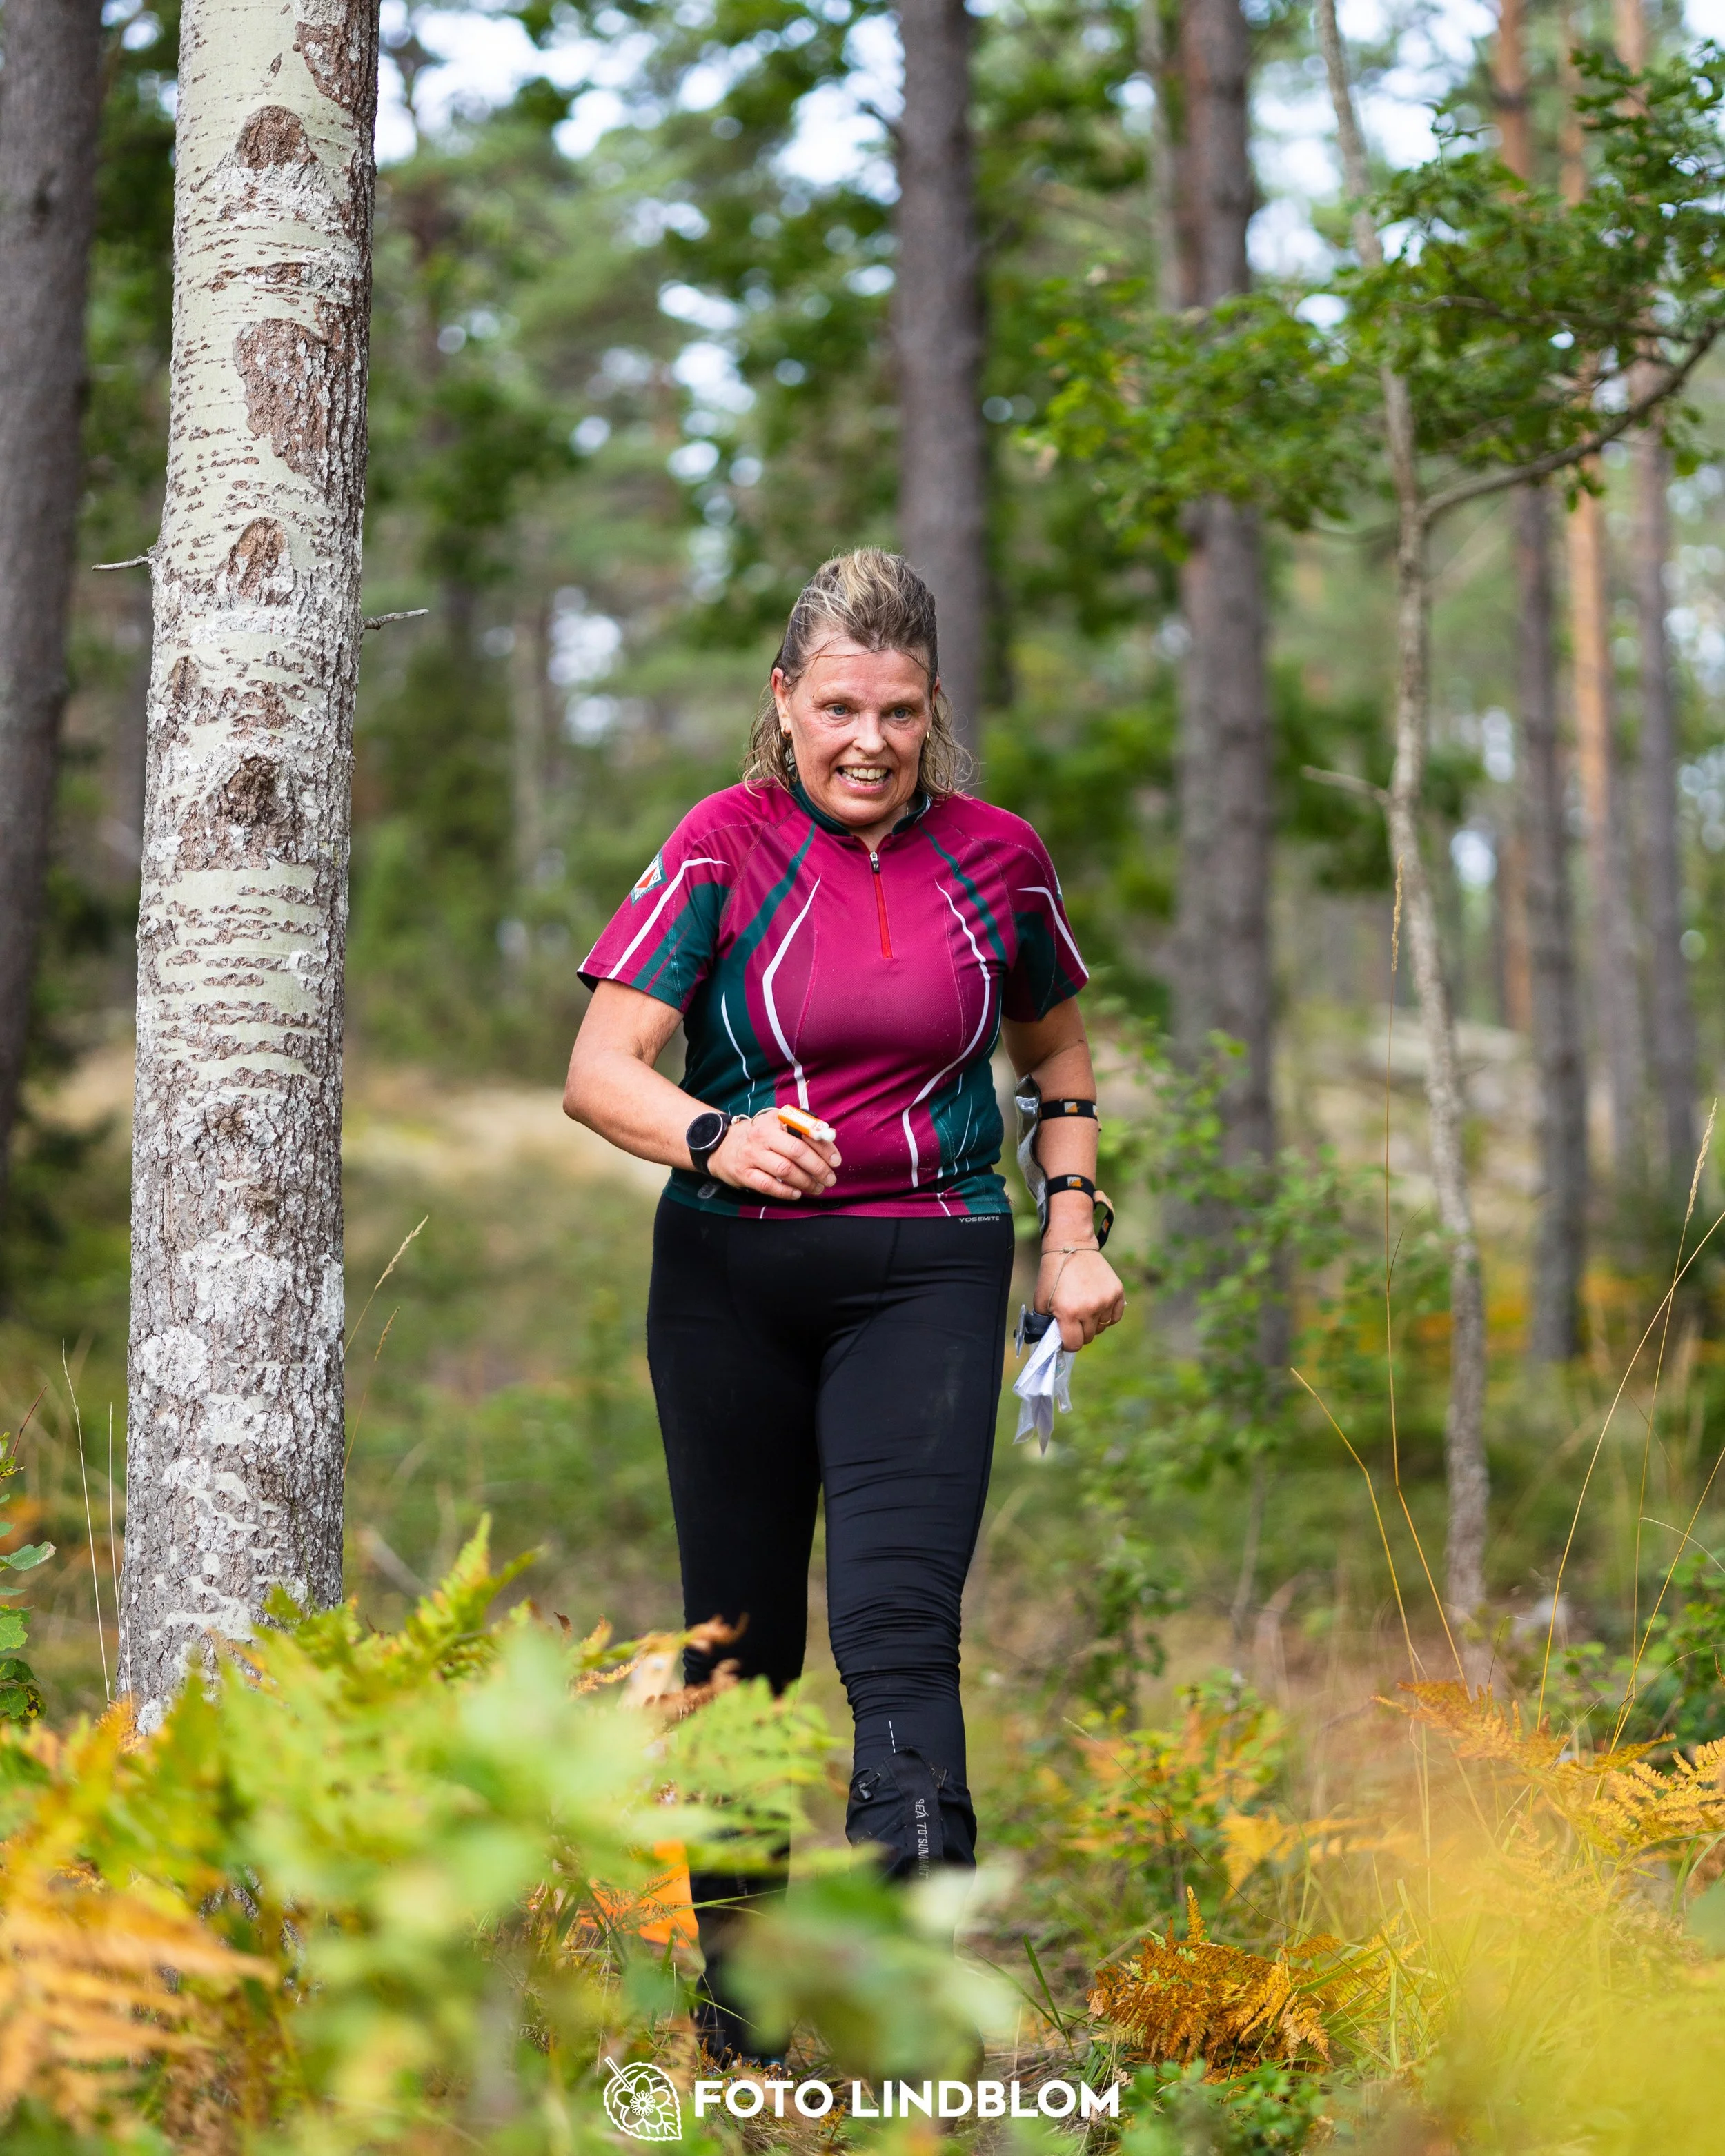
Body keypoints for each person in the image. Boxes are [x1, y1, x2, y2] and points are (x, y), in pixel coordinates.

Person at [563, 548, 1124, 2059]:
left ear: (932, 705)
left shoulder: (997, 855)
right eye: (835, 707)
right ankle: (739, 2009)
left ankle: (911, 2006)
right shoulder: (720, 844)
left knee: (897, 1629)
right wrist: (715, 1134)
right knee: (739, 1649)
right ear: (782, 702)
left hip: (931, 1266)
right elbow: (599, 1069)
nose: (866, 740)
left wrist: (1071, 1230)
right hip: (727, 1283)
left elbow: (1055, 1061)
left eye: (896, 709)